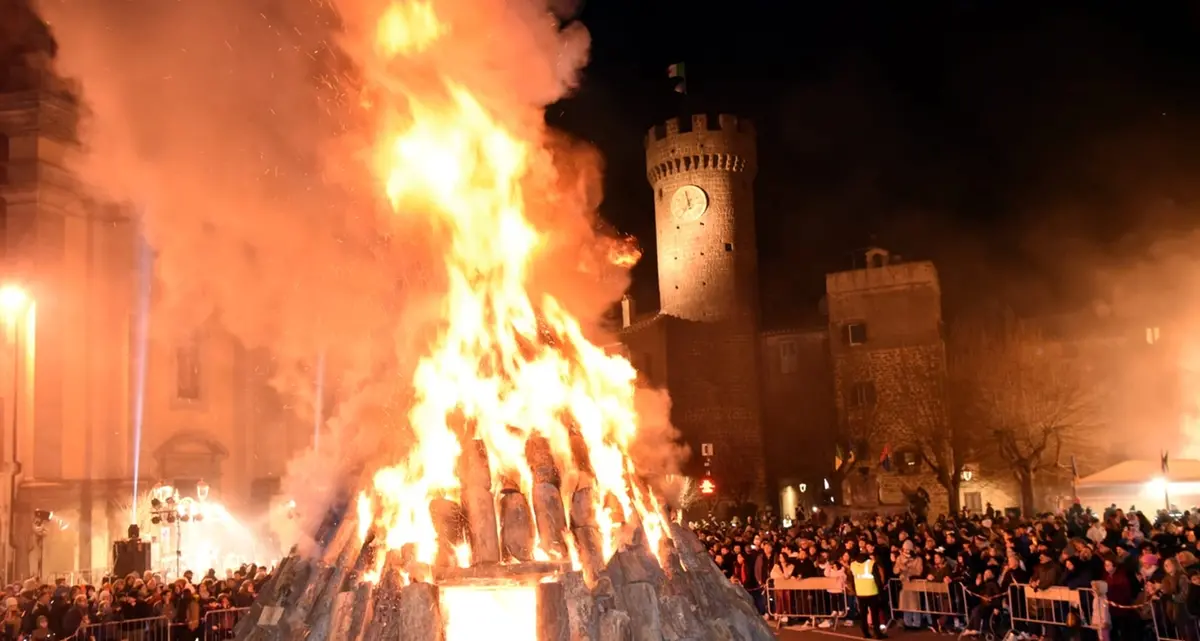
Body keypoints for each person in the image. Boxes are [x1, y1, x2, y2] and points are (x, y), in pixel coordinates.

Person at [851, 551, 888, 640]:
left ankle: (865, 632)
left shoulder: (853, 564)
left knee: (863, 615)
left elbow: (853, 579)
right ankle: (877, 633)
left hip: (860, 593)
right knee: (874, 615)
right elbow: (877, 579)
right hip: (872, 592)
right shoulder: (871, 563)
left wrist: (855, 591)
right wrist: (881, 591)